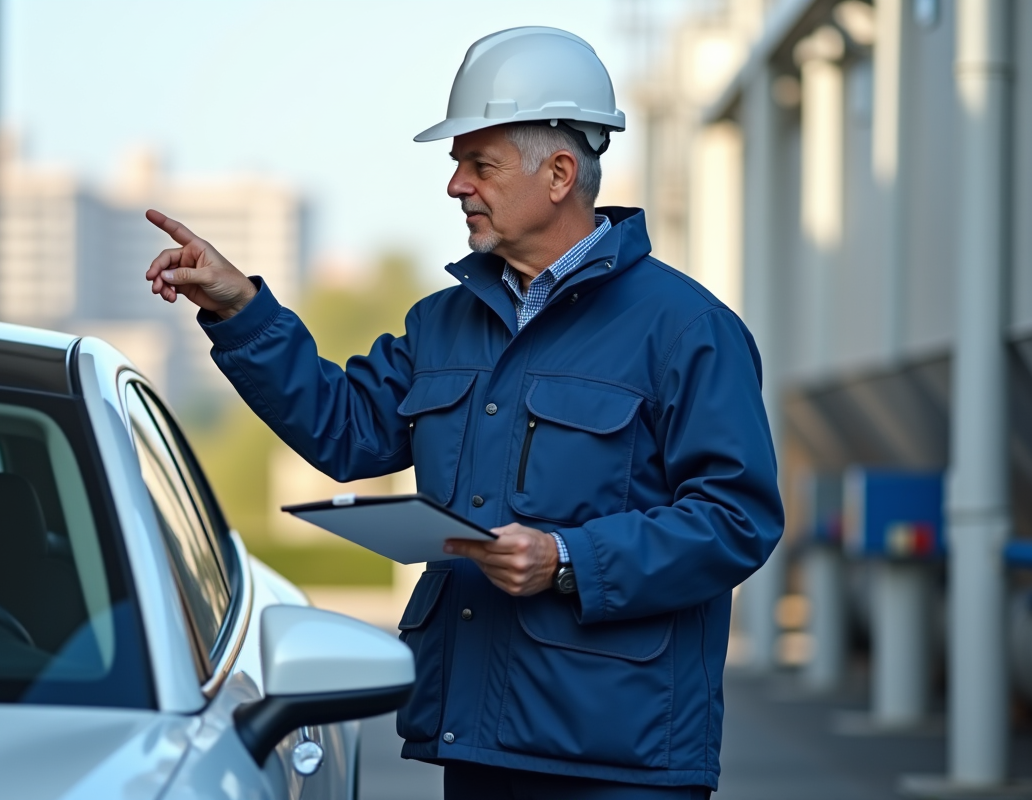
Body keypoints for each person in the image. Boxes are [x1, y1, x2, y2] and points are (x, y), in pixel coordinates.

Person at [144, 26, 782, 800]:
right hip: (478, 747)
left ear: (559, 173)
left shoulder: (685, 329)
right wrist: (241, 310)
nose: (455, 185)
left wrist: (569, 559)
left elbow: (734, 518)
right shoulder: (441, 323)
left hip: (623, 763)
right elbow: (346, 429)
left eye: (478, 164)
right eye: (456, 164)